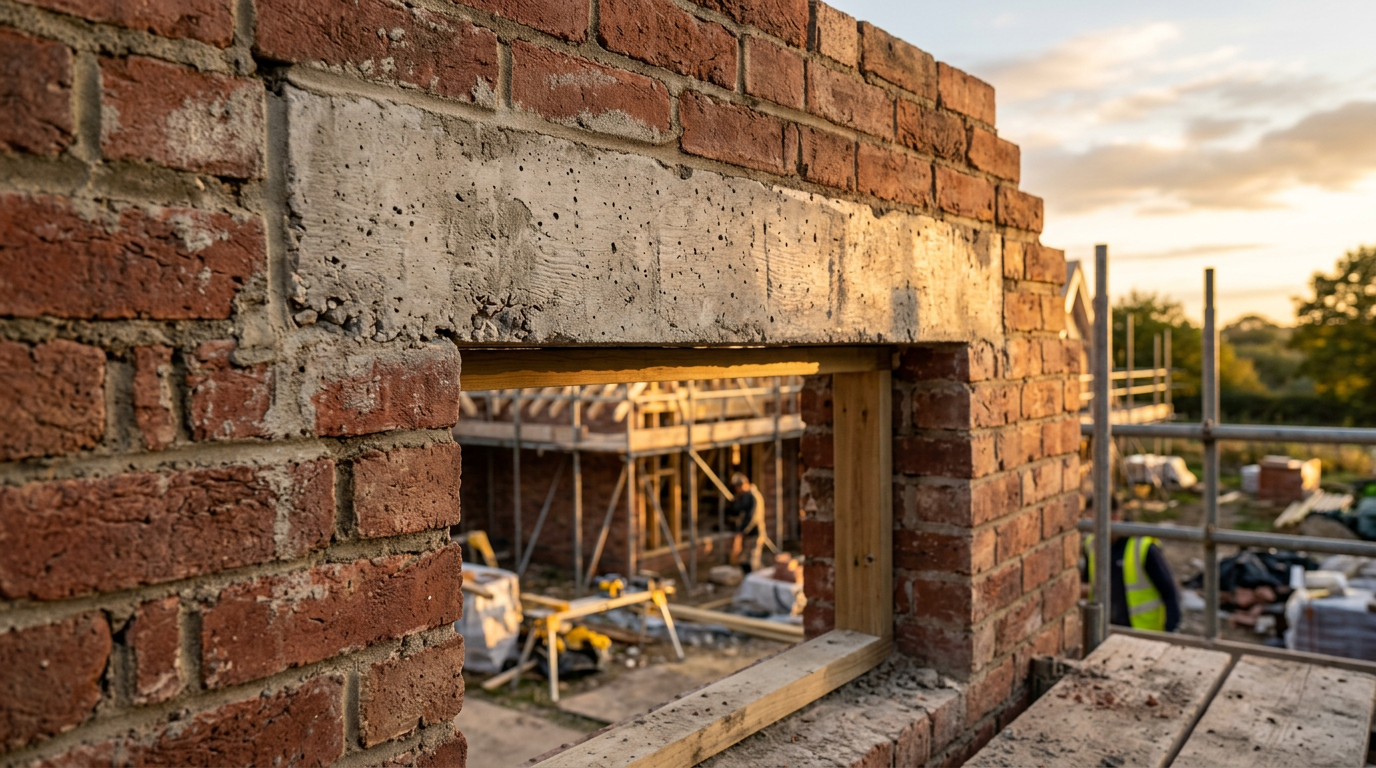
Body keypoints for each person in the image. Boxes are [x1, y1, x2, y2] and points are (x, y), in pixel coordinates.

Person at [1081, 495, 1182, 632]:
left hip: (1144, 631)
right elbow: (1087, 584)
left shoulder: (1143, 547)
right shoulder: (1092, 544)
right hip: (1107, 628)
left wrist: (1170, 630)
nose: (1091, 529)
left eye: (1094, 522)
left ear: (1116, 517)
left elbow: (1170, 593)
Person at [727, 472, 767, 572]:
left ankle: (757, 583)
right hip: (746, 534)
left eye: (739, 487)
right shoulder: (743, 497)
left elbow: (752, 517)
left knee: (753, 562)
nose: (738, 490)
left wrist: (741, 532)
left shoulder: (753, 497)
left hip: (754, 533)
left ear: (745, 484)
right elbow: (736, 512)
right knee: (744, 561)